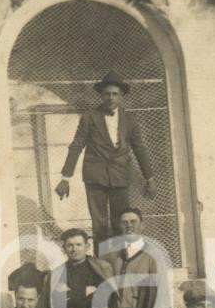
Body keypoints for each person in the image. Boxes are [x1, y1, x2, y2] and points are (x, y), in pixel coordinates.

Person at [54, 71, 156, 251]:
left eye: (115, 94)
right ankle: (101, 266)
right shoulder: (89, 118)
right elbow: (76, 146)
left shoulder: (130, 119)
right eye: (107, 94)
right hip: (95, 178)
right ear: (101, 95)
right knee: (99, 224)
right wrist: (65, 178)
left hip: (120, 176)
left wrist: (149, 179)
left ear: (121, 96)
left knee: (121, 223)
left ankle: (120, 262)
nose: (110, 97)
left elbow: (139, 148)